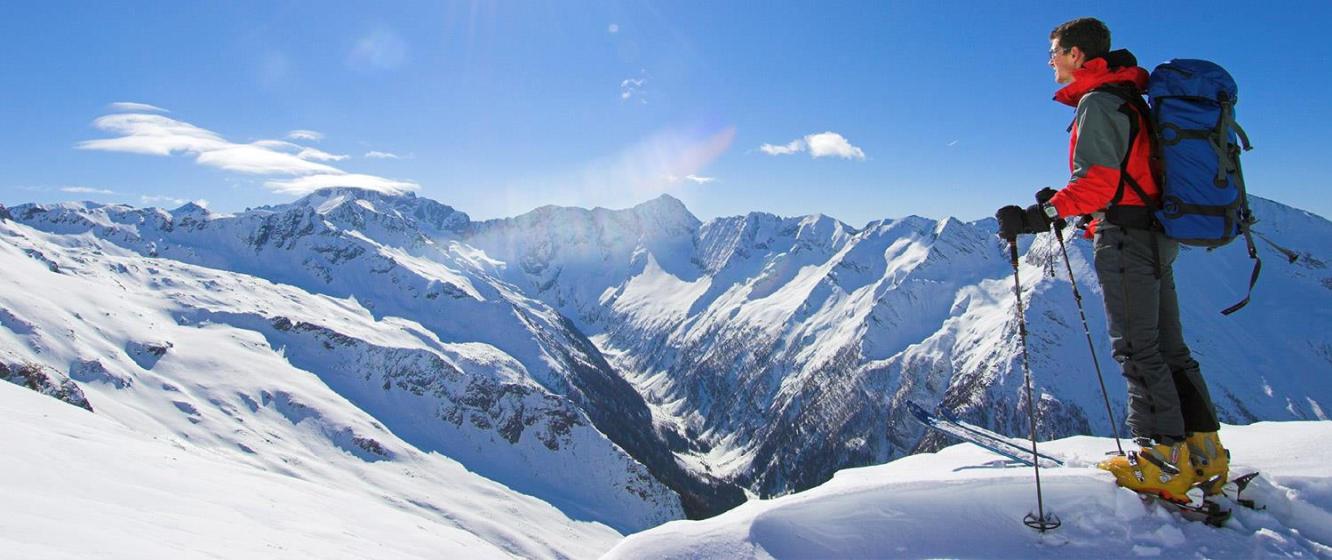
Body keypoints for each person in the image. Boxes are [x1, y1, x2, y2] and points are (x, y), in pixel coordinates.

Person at [995, 17, 1228, 503]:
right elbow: (1124, 175)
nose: (1050, 61)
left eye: (1055, 52)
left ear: (1078, 55)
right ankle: (1204, 450)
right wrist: (1068, 200)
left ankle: (1163, 461)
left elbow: (1101, 182)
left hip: (1126, 240)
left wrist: (1041, 214)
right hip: (1156, 234)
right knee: (1169, 348)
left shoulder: (1099, 103)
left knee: (1137, 349)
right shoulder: (1128, 98)